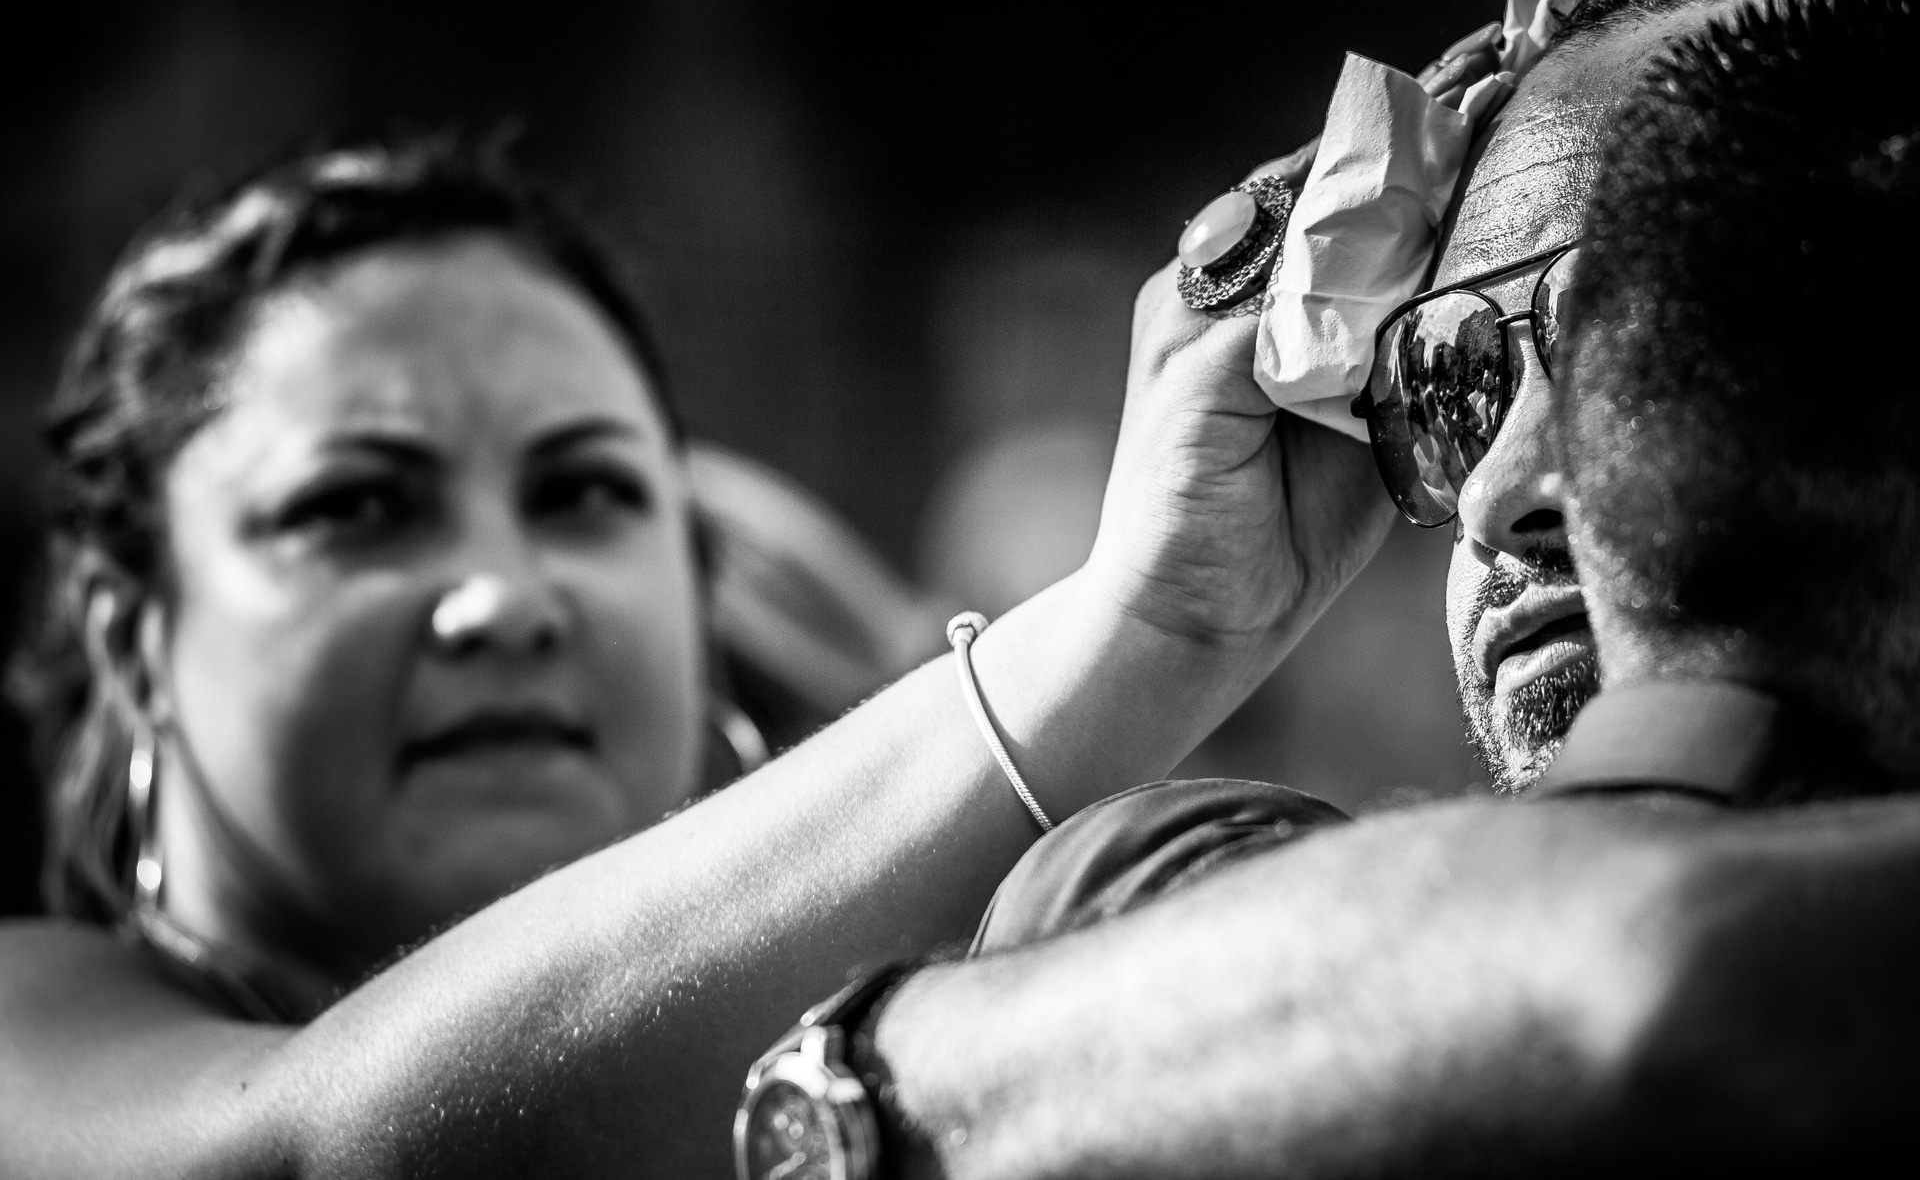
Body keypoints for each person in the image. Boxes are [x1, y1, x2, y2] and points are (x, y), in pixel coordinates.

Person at [739, 0, 1920, 1180]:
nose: (1498, 494)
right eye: (1449, 377)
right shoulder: (1174, 895)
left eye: (1643, 335)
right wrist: (1140, 636)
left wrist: (916, 1070)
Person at [0, 136, 1390, 1176]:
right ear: (134, 644)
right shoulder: (26, 1032)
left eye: (585, 495)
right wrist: (1136, 637)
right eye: (355, 508)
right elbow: (304, 1152)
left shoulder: (990, 991)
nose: (504, 599)